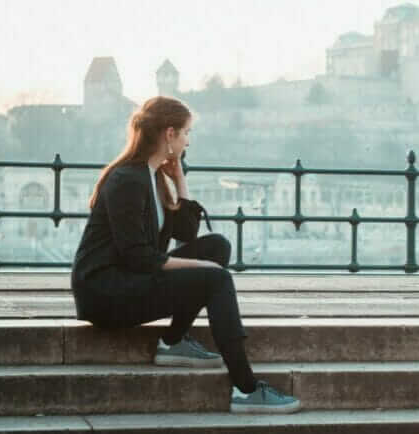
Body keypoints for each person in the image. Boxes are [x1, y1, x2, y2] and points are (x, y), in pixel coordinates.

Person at [70, 96, 300, 414]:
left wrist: (179, 179)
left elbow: (187, 233)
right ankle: (245, 389)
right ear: (169, 134)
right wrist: (203, 268)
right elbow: (138, 256)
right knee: (216, 278)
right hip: (105, 292)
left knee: (217, 246)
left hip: (128, 278)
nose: (188, 140)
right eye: (187, 132)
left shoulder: (154, 178)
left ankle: (174, 340)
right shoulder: (127, 179)